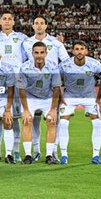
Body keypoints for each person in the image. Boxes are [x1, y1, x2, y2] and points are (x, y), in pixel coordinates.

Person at [23, 16, 69, 162]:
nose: (39, 26)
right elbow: (22, 61)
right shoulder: (26, 43)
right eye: (36, 23)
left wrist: (59, 79)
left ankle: (52, 153)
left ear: (46, 25)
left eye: (42, 23)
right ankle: (33, 152)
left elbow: (66, 62)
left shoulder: (55, 42)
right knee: (31, 121)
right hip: (32, 87)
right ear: (32, 26)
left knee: (53, 120)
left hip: (50, 86)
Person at [0, 11, 28, 163]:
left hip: (16, 81)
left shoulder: (22, 38)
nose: (7, 21)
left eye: (10, 19)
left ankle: (15, 151)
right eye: (4, 19)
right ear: (0, 22)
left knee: (14, 118)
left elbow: (33, 52)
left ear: (14, 22)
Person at [58, 40, 101, 165]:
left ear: (86, 51)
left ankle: (96, 155)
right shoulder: (65, 65)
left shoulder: (94, 64)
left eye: (81, 49)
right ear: (73, 51)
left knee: (97, 123)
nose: (79, 51)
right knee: (63, 123)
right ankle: (64, 155)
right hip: (69, 96)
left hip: (89, 97)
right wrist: (60, 97)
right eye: (76, 49)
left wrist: (98, 98)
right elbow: (55, 80)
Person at [18, 41, 61, 165]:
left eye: (42, 52)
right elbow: (21, 89)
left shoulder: (53, 67)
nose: (39, 55)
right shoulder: (25, 67)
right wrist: (25, 110)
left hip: (47, 98)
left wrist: (53, 110)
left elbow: (57, 88)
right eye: (36, 53)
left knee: (51, 121)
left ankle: (49, 155)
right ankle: (27, 155)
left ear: (46, 53)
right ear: (32, 53)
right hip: (30, 99)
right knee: (27, 121)